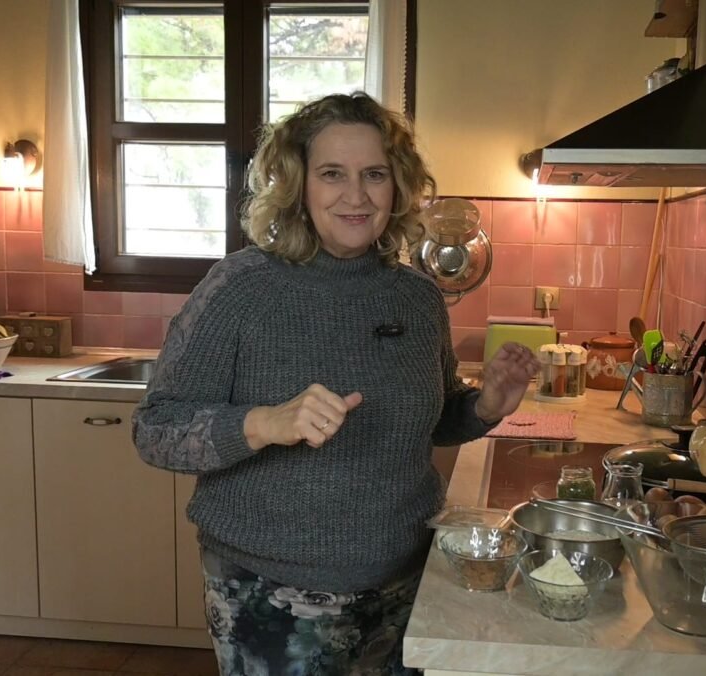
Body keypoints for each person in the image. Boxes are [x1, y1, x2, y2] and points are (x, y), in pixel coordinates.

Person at [132, 91, 537, 675]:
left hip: (404, 584)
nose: (356, 195)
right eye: (332, 174)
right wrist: (265, 423)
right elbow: (155, 430)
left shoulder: (417, 297)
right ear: (298, 186)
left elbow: (431, 419)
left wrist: (486, 406)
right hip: (271, 594)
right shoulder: (240, 288)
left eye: (374, 174)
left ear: (397, 186)